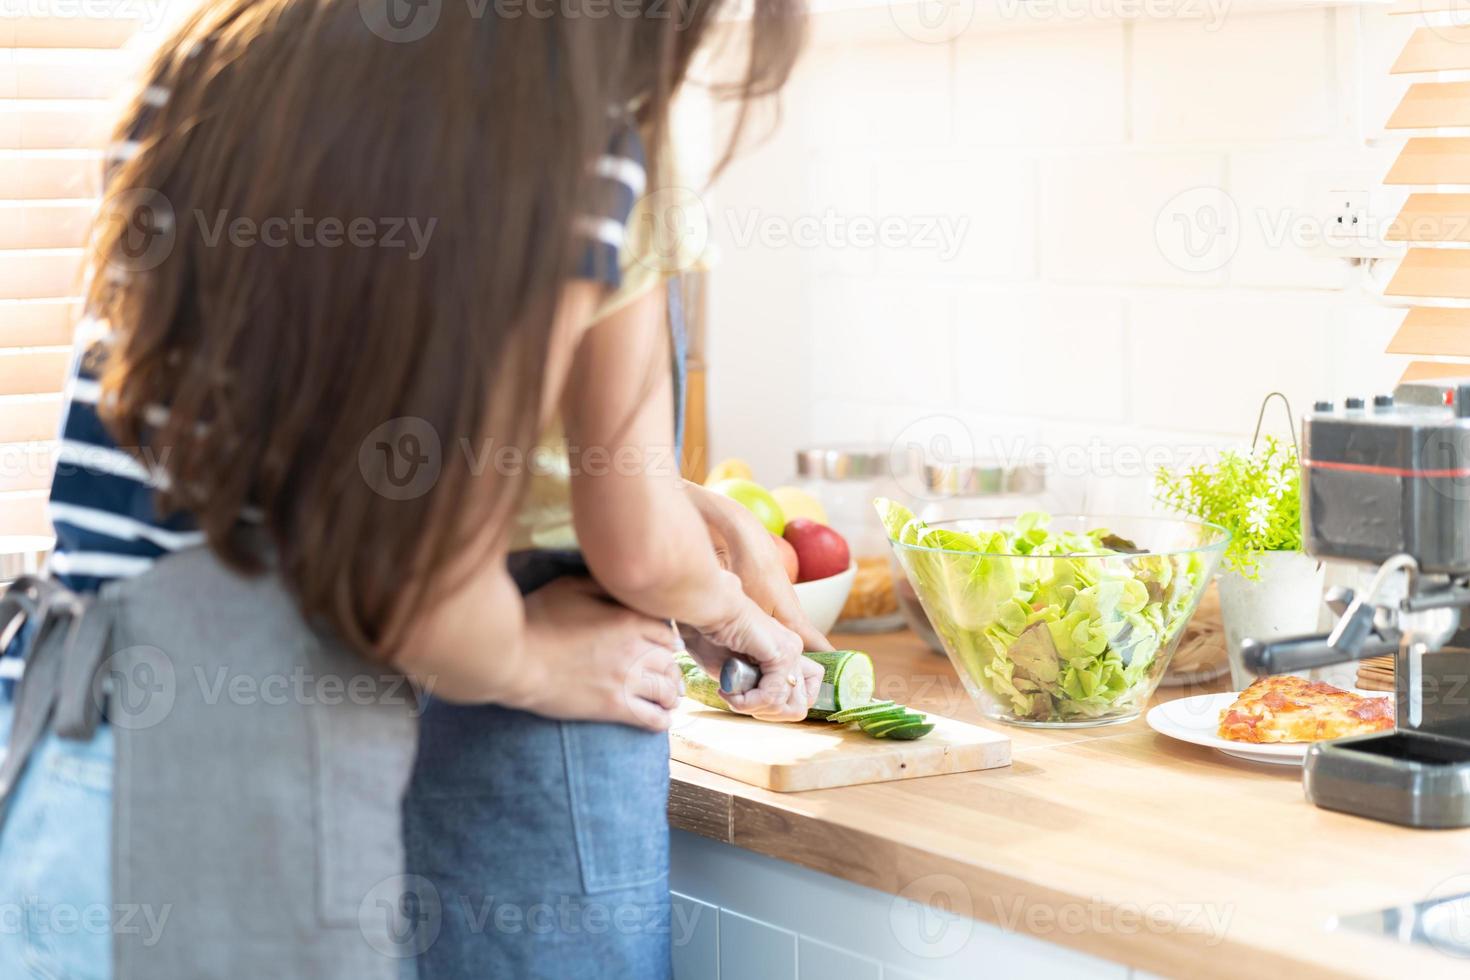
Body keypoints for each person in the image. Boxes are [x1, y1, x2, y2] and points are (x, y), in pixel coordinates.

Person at [0, 0, 809, 976]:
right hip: (250, 803)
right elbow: (425, 593)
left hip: (58, 745)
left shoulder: (212, 50)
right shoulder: (558, 132)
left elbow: (297, 431)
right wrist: (538, 658)